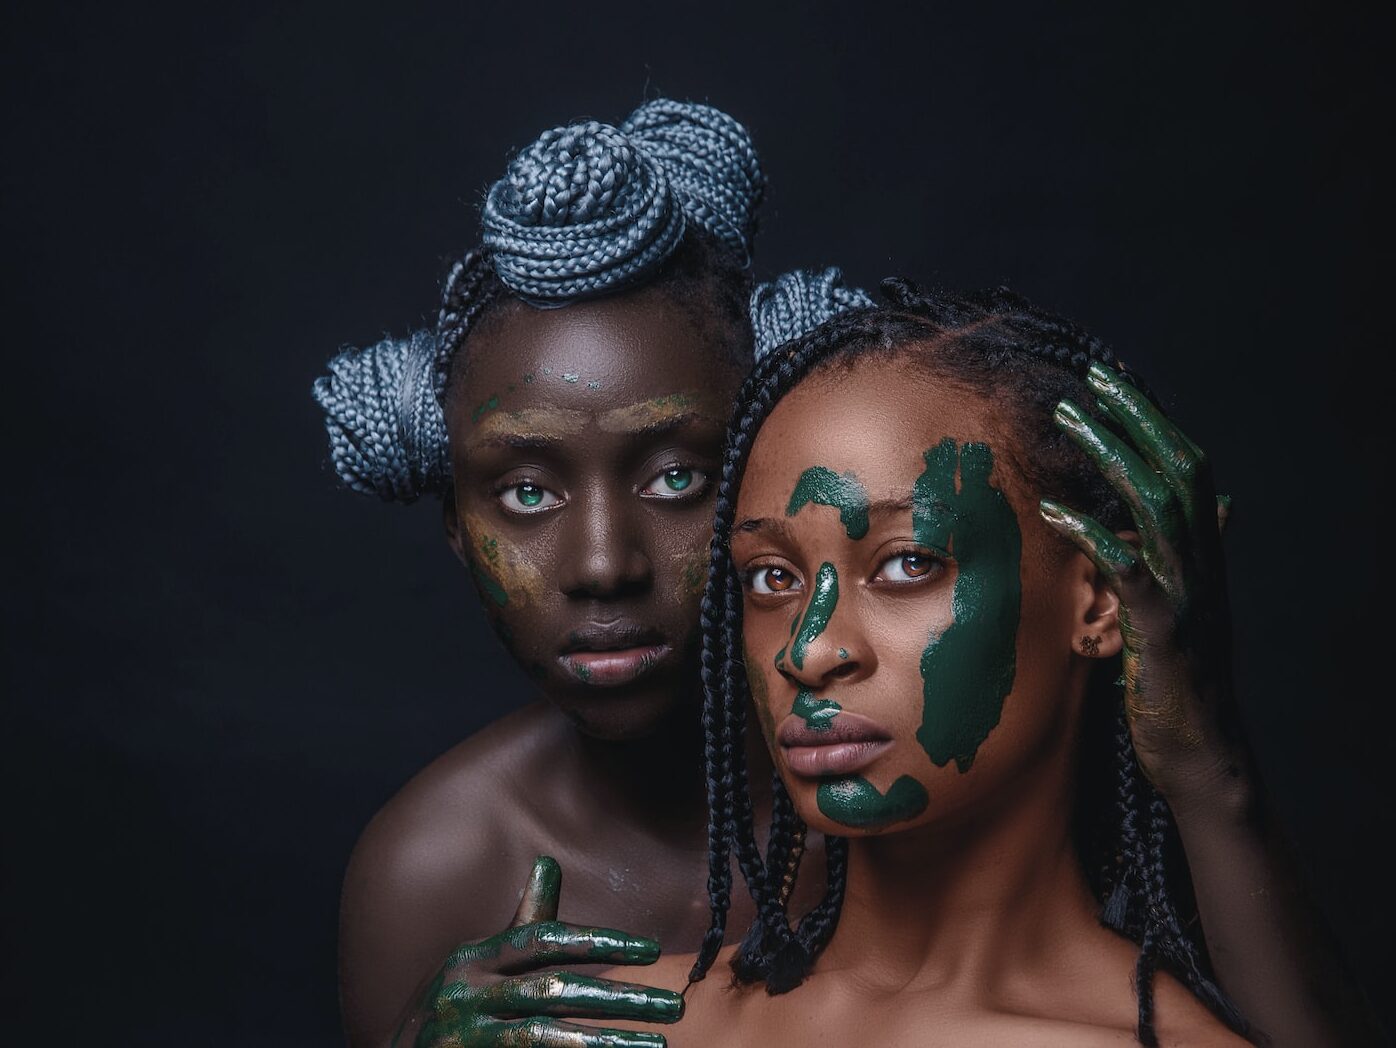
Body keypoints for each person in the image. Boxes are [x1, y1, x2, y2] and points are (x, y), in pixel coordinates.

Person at [316, 107, 1377, 1043]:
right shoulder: (450, 878)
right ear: (451, 518)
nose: (603, 565)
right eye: (528, 493)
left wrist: (1209, 767)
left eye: (684, 475)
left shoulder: (950, 769)